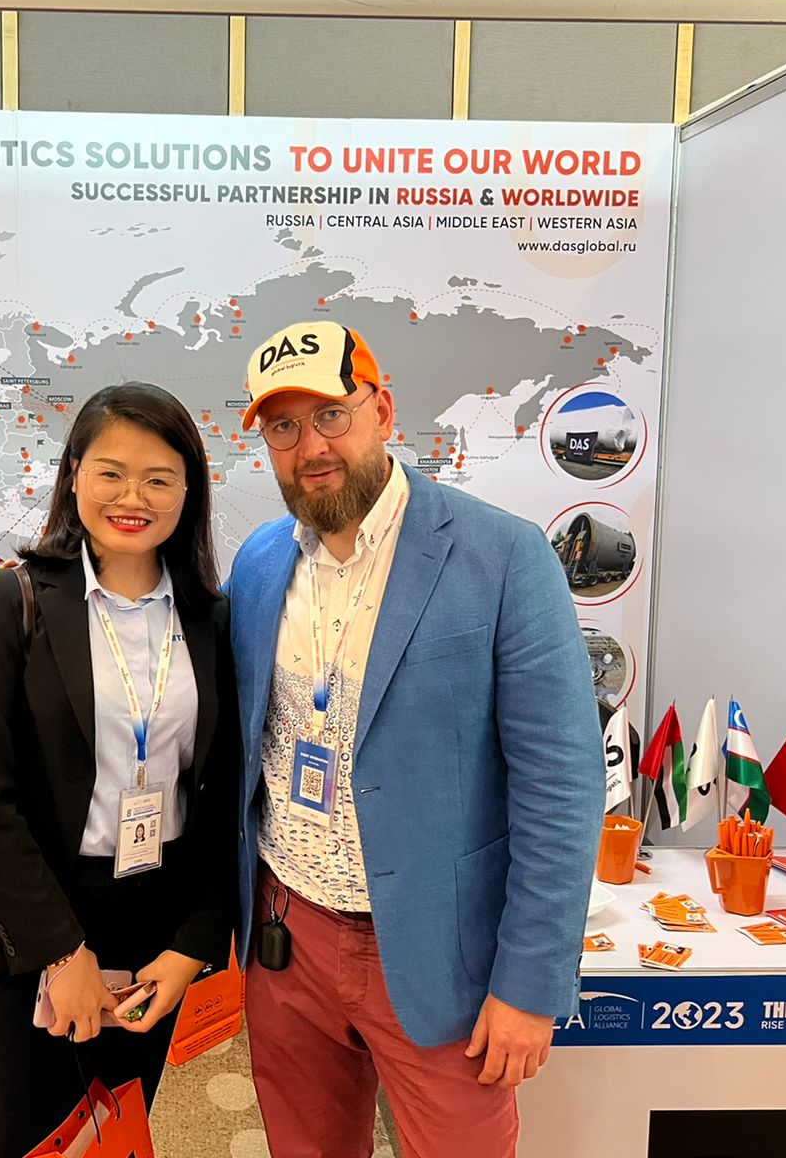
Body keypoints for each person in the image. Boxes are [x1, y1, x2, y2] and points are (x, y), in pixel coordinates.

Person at [227, 322, 603, 1158]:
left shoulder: (503, 557)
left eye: (331, 414)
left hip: (443, 954)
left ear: (383, 411)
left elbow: (562, 788)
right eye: (283, 427)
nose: (310, 447)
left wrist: (530, 984)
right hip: (287, 941)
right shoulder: (257, 564)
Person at [0, 382, 238, 1158]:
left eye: (159, 478)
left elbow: (222, 792)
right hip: (36, 913)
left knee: (120, 1129)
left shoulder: (211, 618)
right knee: (39, 1140)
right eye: (111, 472)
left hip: (154, 916)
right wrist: (62, 952)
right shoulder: (10, 599)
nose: (133, 497)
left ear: (189, 491)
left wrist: (192, 945)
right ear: (74, 475)